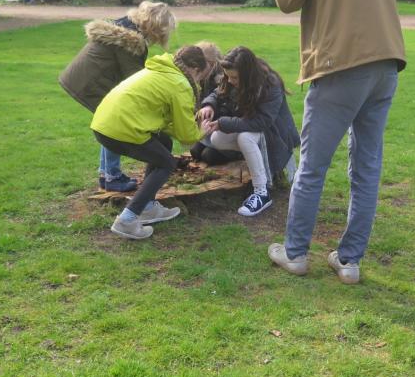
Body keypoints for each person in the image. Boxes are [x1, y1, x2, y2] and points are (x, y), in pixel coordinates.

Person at [272, 0, 406, 284]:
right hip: (386, 63)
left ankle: (295, 253)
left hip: (340, 64)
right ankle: (349, 261)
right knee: (367, 166)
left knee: (312, 166)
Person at [91, 46, 208, 239]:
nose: (198, 82)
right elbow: (187, 136)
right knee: (167, 163)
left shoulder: (160, 69)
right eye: (199, 77)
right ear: (194, 68)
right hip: (121, 130)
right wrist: (204, 130)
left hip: (103, 125)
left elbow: (166, 123)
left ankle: (148, 206)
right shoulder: (180, 83)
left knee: (163, 143)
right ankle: (127, 219)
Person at [59, 1, 177, 192]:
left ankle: (107, 174)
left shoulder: (124, 27)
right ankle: (112, 176)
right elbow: (136, 81)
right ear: (155, 26)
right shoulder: (131, 43)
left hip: (84, 78)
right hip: (91, 83)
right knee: (115, 125)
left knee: (111, 124)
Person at [197, 46, 300, 216]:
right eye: (228, 76)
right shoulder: (233, 77)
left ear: (247, 74)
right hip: (253, 128)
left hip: (274, 135)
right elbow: (218, 93)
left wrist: (223, 122)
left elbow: (262, 122)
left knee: (245, 138)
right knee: (217, 139)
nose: (230, 81)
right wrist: (208, 105)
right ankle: (253, 156)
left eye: (234, 77)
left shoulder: (270, 84)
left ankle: (262, 193)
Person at [189, 42, 240, 166]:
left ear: (211, 64)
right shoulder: (199, 79)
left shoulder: (223, 78)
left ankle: (238, 154)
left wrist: (213, 118)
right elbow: (213, 97)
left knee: (208, 155)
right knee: (195, 151)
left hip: (226, 130)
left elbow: (228, 108)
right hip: (212, 129)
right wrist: (207, 107)